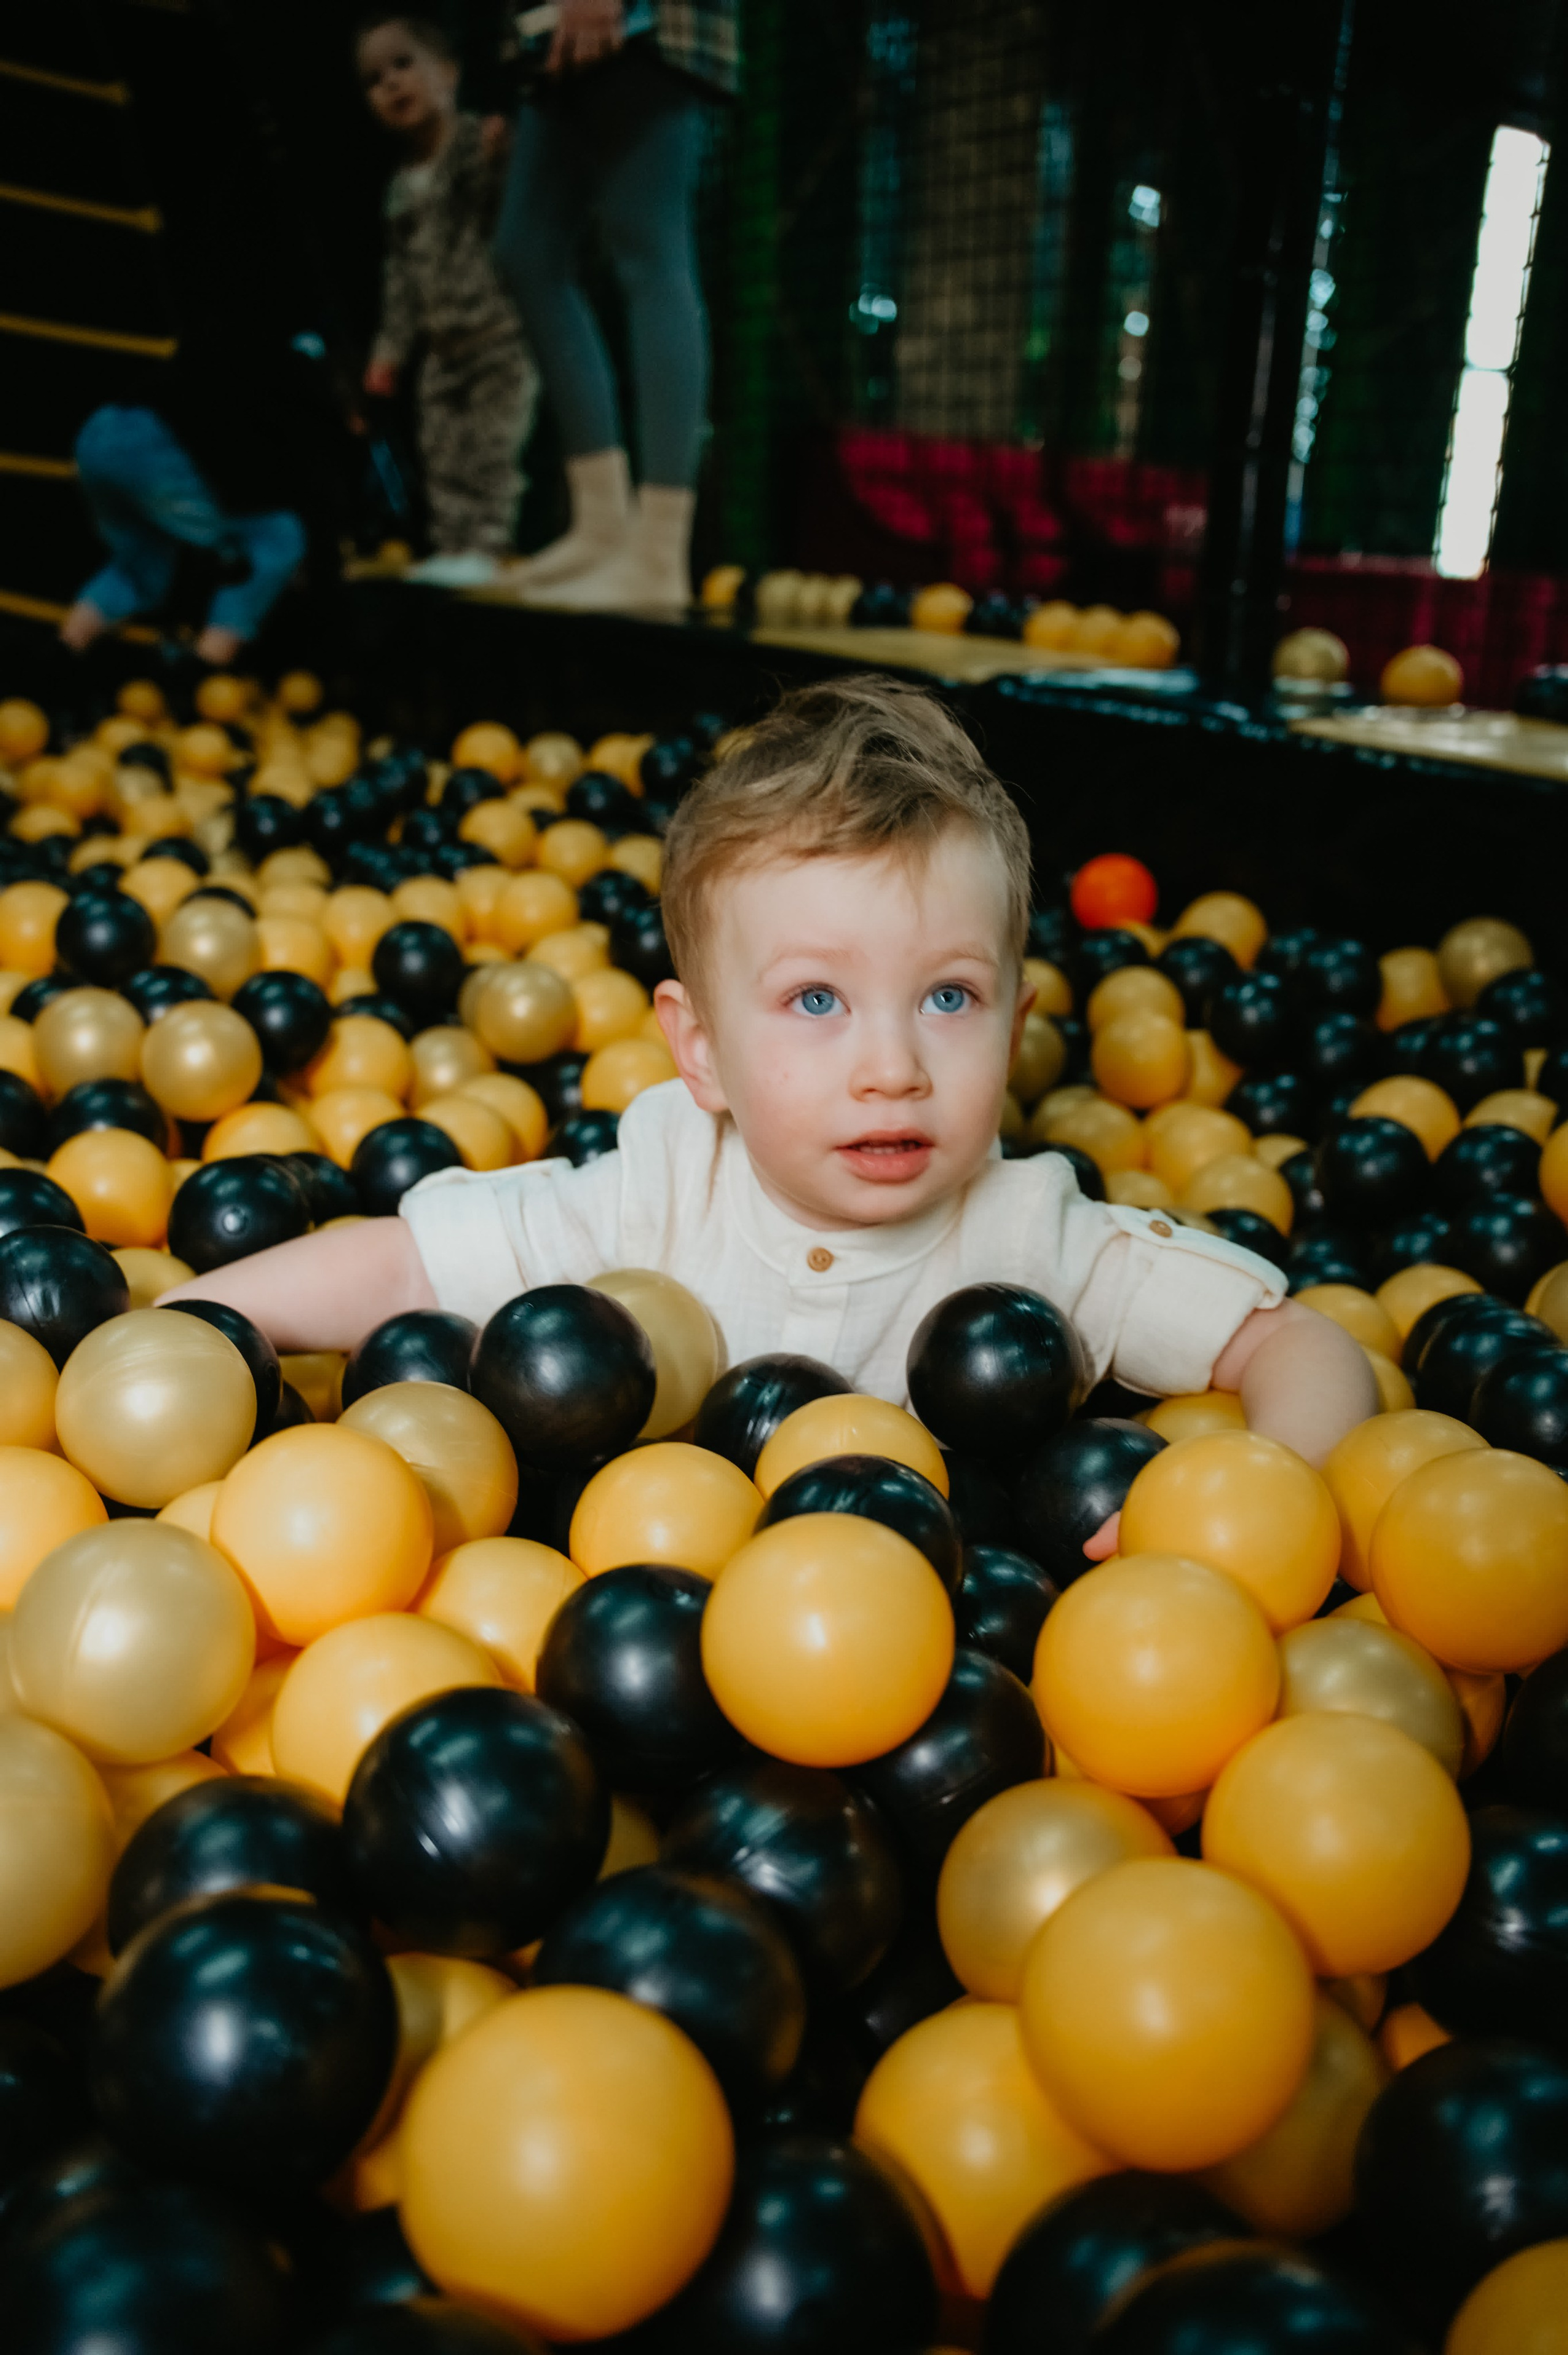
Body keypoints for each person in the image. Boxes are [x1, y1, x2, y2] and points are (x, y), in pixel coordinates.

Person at [164, 675, 1376, 1525]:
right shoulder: (655, 1189)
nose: (890, 1064)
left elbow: (1293, 1340)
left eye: (946, 999)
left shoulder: (1029, 1236)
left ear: (1014, 1032)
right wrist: (186, 1326)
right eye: (814, 1001)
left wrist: (1246, 1508)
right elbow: (401, 1267)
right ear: (697, 1051)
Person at [487, 0, 739, 611]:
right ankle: (602, 526)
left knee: (648, 250)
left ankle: (658, 553)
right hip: (549, 32)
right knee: (525, 253)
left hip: (639, 23)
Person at [359, 12, 538, 586]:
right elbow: (401, 280)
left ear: (448, 73)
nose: (390, 84)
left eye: (403, 65)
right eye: (374, 78)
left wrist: (499, 155)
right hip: (439, 348)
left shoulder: (474, 143)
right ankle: (454, 546)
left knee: (489, 454)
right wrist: (389, 350)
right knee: (442, 455)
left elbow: (508, 212)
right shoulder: (397, 187)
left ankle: (485, 548)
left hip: (496, 338)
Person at [59, 309, 325, 668]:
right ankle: (204, 677)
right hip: (154, 445)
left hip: (98, 435)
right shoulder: (287, 383)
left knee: (144, 562)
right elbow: (274, 480)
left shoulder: (232, 341)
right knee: (277, 539)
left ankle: (62, 654)